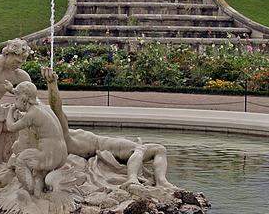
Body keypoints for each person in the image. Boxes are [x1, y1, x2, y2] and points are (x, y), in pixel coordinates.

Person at [43, 67, 176, 189]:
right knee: (145, 148)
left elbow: (56, 110)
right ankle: (136, 179)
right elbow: (56, 108)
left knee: (154, 149)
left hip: (104, 144)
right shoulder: (63, 136)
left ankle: (158, 179)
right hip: (104, 145)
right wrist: (52, 85)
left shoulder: (58, 135)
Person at [5, 81, 68, 196]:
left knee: (22, 160)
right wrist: (12, 90)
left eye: (16, 99)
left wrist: (10, 111)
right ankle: (40, 189)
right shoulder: (40, 105)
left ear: (24, 100)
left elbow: (11, 127)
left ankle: (30, 191)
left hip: (49, 155)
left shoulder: (32, 114)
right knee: (38, 170)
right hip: (62, 153)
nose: (15, 102)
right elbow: (27, 94)